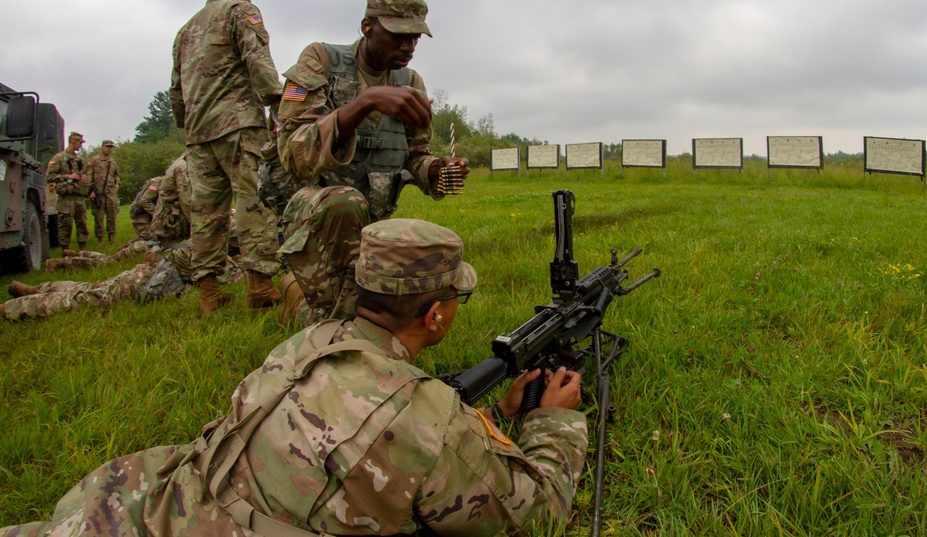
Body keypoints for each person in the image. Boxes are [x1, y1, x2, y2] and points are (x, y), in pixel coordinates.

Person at [0, 219, 587, 537]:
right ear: (435, 315)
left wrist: (490, 419)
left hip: (144, 508)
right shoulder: (425, 418)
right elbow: (535, 513)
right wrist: (551, 421)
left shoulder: (308, 342)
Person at [271, 0, 470, 324]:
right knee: (355, 317)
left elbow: (414, 156)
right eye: (398, 35)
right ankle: (309, 301)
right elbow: (294, 152)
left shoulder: (410, 81)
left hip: (373, 225)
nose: (408, 47)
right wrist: (365, 103)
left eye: (415, 39)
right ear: (367, 26)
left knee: (425, 282)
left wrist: (437, 169)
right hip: (313, 213)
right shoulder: (320, 61)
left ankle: (303, 291)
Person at [170, 0, 283, 315]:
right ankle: (261, 286)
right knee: (253, 200)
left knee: (205, 213)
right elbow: (257, 58)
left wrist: (187, 123)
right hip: (238, 124)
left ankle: (209, 293)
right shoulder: (240, 12)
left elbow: (176, 89)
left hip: (198, 134)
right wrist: (278, 100)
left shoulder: (185, 31)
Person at [2, 242, 242, 320]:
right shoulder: (220, 256)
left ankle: (34, 289)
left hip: (148, 274)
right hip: (147, 282)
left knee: (90, 289)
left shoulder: (212, 237)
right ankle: (11, 309)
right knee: (81, 300)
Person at [45, 131, 90, 253]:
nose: (81, 146)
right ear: (73, 141)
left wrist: (83, 177)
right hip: (66, 197)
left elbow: (81, 174)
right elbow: (49, 177)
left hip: (79, 196)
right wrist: (68, 177)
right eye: (79, 143)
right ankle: (65, 252)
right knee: (66, 225)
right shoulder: (59, 158)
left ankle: (83, 251)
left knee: (82, 224)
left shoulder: (79, 159)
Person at [151, 151, 191, 248]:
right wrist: (200, 227)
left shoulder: (180, 163)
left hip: (168, 221)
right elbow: (186, 201)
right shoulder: (183, 167)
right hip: (171, 224)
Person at [85, 139, 121, 244]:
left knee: (112, 215)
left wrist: (117, 184)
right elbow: (88, 176)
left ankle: (111, 237)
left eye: (111, 147)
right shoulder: (94, 160)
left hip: (110, 193)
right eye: (107, 146)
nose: (109, 149)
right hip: (98, 193)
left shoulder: (112, 162)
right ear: (102, 147)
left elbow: (116, 175)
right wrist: (90, 191)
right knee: (99, 217)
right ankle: (100, 239)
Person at [43, 238, 152, 272]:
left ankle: (78, 253)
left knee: (108, 258)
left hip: (145, 246)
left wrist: (129, 243)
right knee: (107, 263)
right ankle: (60, 263)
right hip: (144, 248)